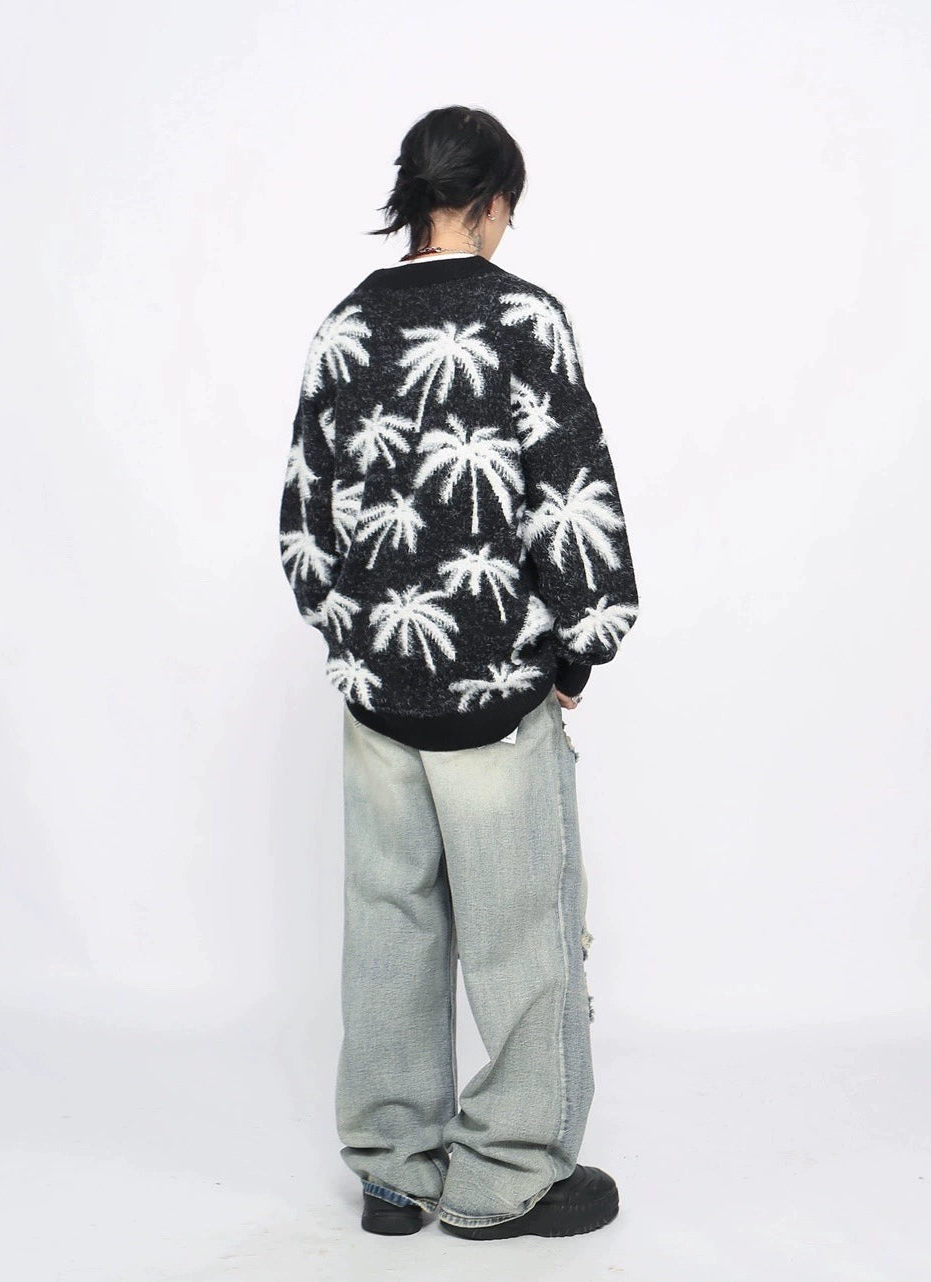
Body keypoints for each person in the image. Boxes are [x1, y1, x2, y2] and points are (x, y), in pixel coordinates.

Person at [278, 105, 640, 1240]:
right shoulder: (523, 316)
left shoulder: (344, 323)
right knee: (522, 938)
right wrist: (577, 645)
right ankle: (508, 1176)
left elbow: (306, 516)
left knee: (390, 926)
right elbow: (568, 489)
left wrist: (357, 643)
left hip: (377, 699)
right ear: (490, 203)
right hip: (495, 697)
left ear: (413, 198)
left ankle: (393, 1171)